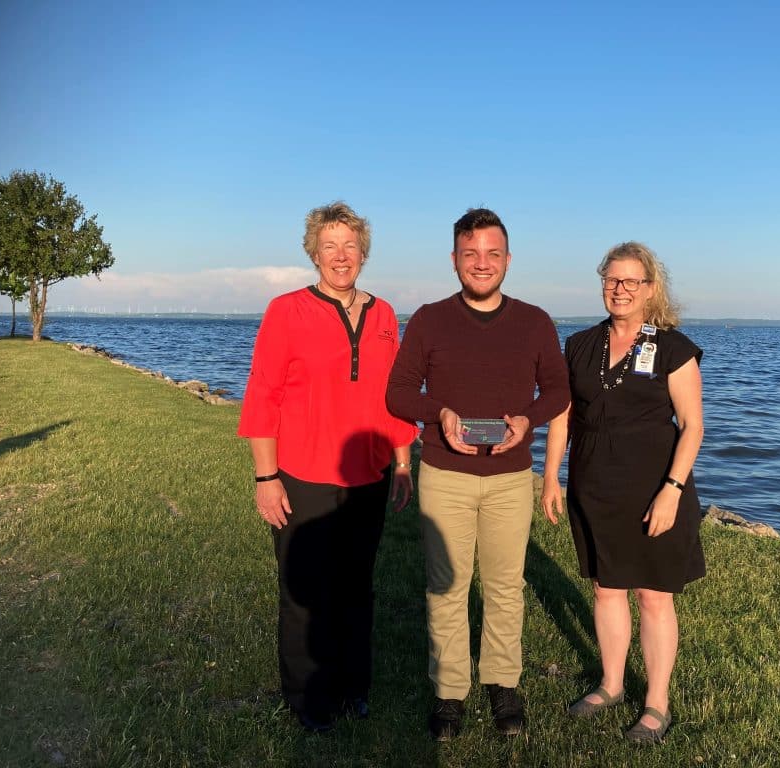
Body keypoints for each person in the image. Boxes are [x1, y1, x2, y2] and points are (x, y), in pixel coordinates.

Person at [386, 208, 570, 740]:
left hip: (512, 476)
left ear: (508, 260)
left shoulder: (534, 321)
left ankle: (502, 683)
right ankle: (449, 692)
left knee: (506, 585)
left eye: (492, 254)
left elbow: (557, 390)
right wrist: (438, 413)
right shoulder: (429, 318)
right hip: (444, 474)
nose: (481, 264)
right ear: (454, 260)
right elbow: (398, 392)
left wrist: (527, 419)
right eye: (470, 254)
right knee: (446, 586)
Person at [237, 201, 418, 733]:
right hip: (302, 475)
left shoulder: (384, 314)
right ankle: (306, 698)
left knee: (357, 587)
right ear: (313, 253)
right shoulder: (286, 310)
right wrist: (266, 478)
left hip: (369, 475)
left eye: (350, 246)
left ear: (363, 252)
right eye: (330, 246)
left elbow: (395, 395)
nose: (341, 256)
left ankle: (352, 686)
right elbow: (263, 395)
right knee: (305, 592)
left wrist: (403, 462)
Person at [541, 241, 705, 744]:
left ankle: (657, 704)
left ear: (650, 289)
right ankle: (611, 684)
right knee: (606, 589)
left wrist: (672, 491)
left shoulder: (673, 348)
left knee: (654, 597)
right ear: (602, 283)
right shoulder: (581, 345)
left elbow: (693, 425)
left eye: (632, 281)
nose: (620, 289)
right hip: (594, 488)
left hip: (656, 489)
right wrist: (551, 475)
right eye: (613, 279)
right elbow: (564, 415)